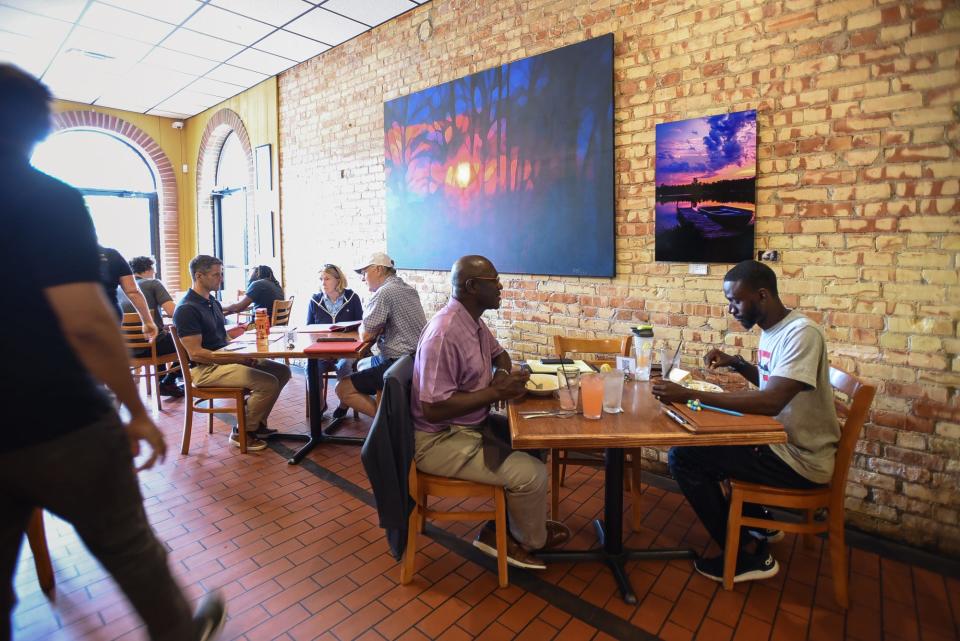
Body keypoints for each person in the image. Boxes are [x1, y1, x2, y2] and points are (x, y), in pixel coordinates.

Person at [0, 63, 224, 641]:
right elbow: (89, 324)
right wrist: (135, 409)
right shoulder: (46, 199)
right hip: (62, 421)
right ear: (36, 132)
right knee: (132, 553)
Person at [653, 260, 838, 584]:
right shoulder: (775, 329)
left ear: (762, 295)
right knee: (715, 443)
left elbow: (771, 400)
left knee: (684, 457)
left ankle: (746, 556)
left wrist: (685, 394)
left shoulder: (802, 333)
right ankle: (759, 522)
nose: (732, 309)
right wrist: (737, 363)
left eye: (736, 301)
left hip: (799, 458)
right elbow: (773, 382)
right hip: (780, 443)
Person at [411, 255, 570, 570]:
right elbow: (432, 409)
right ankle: (524, 540)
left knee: (535, 443)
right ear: (471, 287)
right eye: (494, 281)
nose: (501, 287)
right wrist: (495, 393)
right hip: (438, 440)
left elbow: (502, 355)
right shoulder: (444, 334)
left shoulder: (473, 322)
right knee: (532, 474)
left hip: (470, 427)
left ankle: (518, 528)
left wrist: (500, 377)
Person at [173, 255, 291, 452]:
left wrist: (243, 353)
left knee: (282, 372)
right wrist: (237, 359)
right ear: (199, 276)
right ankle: (243, 431)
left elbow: (223, 339)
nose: (221, 278)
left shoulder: (212, 303)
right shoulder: (187, 308)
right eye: (216, 275)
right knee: (267, 383)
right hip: (205, 370)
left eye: (221, 274)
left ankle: (256, 422)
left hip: (222, 362)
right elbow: (196, 354)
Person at [332, 252, 426, 425]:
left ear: (379, 269)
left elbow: (366, 334)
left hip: (397, 363)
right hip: (417, 360)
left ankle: (389, 423)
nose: (362, 279)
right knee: (360, 364)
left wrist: (365, 327)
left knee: (342, 389)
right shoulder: (407, 288)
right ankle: (386, 407)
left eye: (364, 273)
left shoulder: (384, 292)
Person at [306, 263, 363, 417]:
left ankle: (344, 404)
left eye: (327, 279)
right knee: (311, 367)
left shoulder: (352, 297)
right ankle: (319, 405)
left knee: (344, 365)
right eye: (321, 279)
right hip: (322, 350)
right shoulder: (314, 300)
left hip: (347, 349)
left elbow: (362, 326)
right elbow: (309, 328)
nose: (323, 283)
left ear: (338, 280)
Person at [121, 255, 182, 397]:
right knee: (192, 340)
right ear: (148, 270)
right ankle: (168, 381)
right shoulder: (153, 284)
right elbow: (173, 312)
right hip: (152, 345)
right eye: (153, 269)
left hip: (127, 349)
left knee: (163, 334)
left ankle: (163, 382)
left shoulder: (119, 288)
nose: (154, 273)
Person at [99, 244, 158, 342]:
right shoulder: (111, 255)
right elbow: (132, 292)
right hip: (108, 316)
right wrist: (148, 321)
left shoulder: (66, 255)